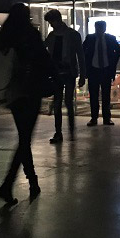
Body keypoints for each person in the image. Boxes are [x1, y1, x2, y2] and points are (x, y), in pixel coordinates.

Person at [0, 4, 52, 206]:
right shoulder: (30, 34)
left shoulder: (6, 35)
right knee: (25, 138)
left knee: (24, 137)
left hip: (13, 92)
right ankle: (8, 184)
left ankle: (33, 182)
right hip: (30, 91)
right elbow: (43, 60)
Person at [44, 9, 85, 143]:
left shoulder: (70, 35)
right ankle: (62, 132)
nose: (50, 25)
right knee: (61, 102)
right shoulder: (58, 35)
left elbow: (80, 55)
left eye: (51, 22)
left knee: (65, 102)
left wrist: (83, 74)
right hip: (59, 72)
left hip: (66, 72)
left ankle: (66, 131)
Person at [82, 20, 120, 126]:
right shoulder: (90, 38)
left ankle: (106, 118)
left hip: (105, 69)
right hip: (93, 70)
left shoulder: (110, 38)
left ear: (104, 28)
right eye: (98, 28)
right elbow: (82, 50)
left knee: (106, 95)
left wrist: (112, 63)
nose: (99, 30)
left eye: (101, 28)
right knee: (93, 95)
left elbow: (118, 50)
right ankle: (94, 118)